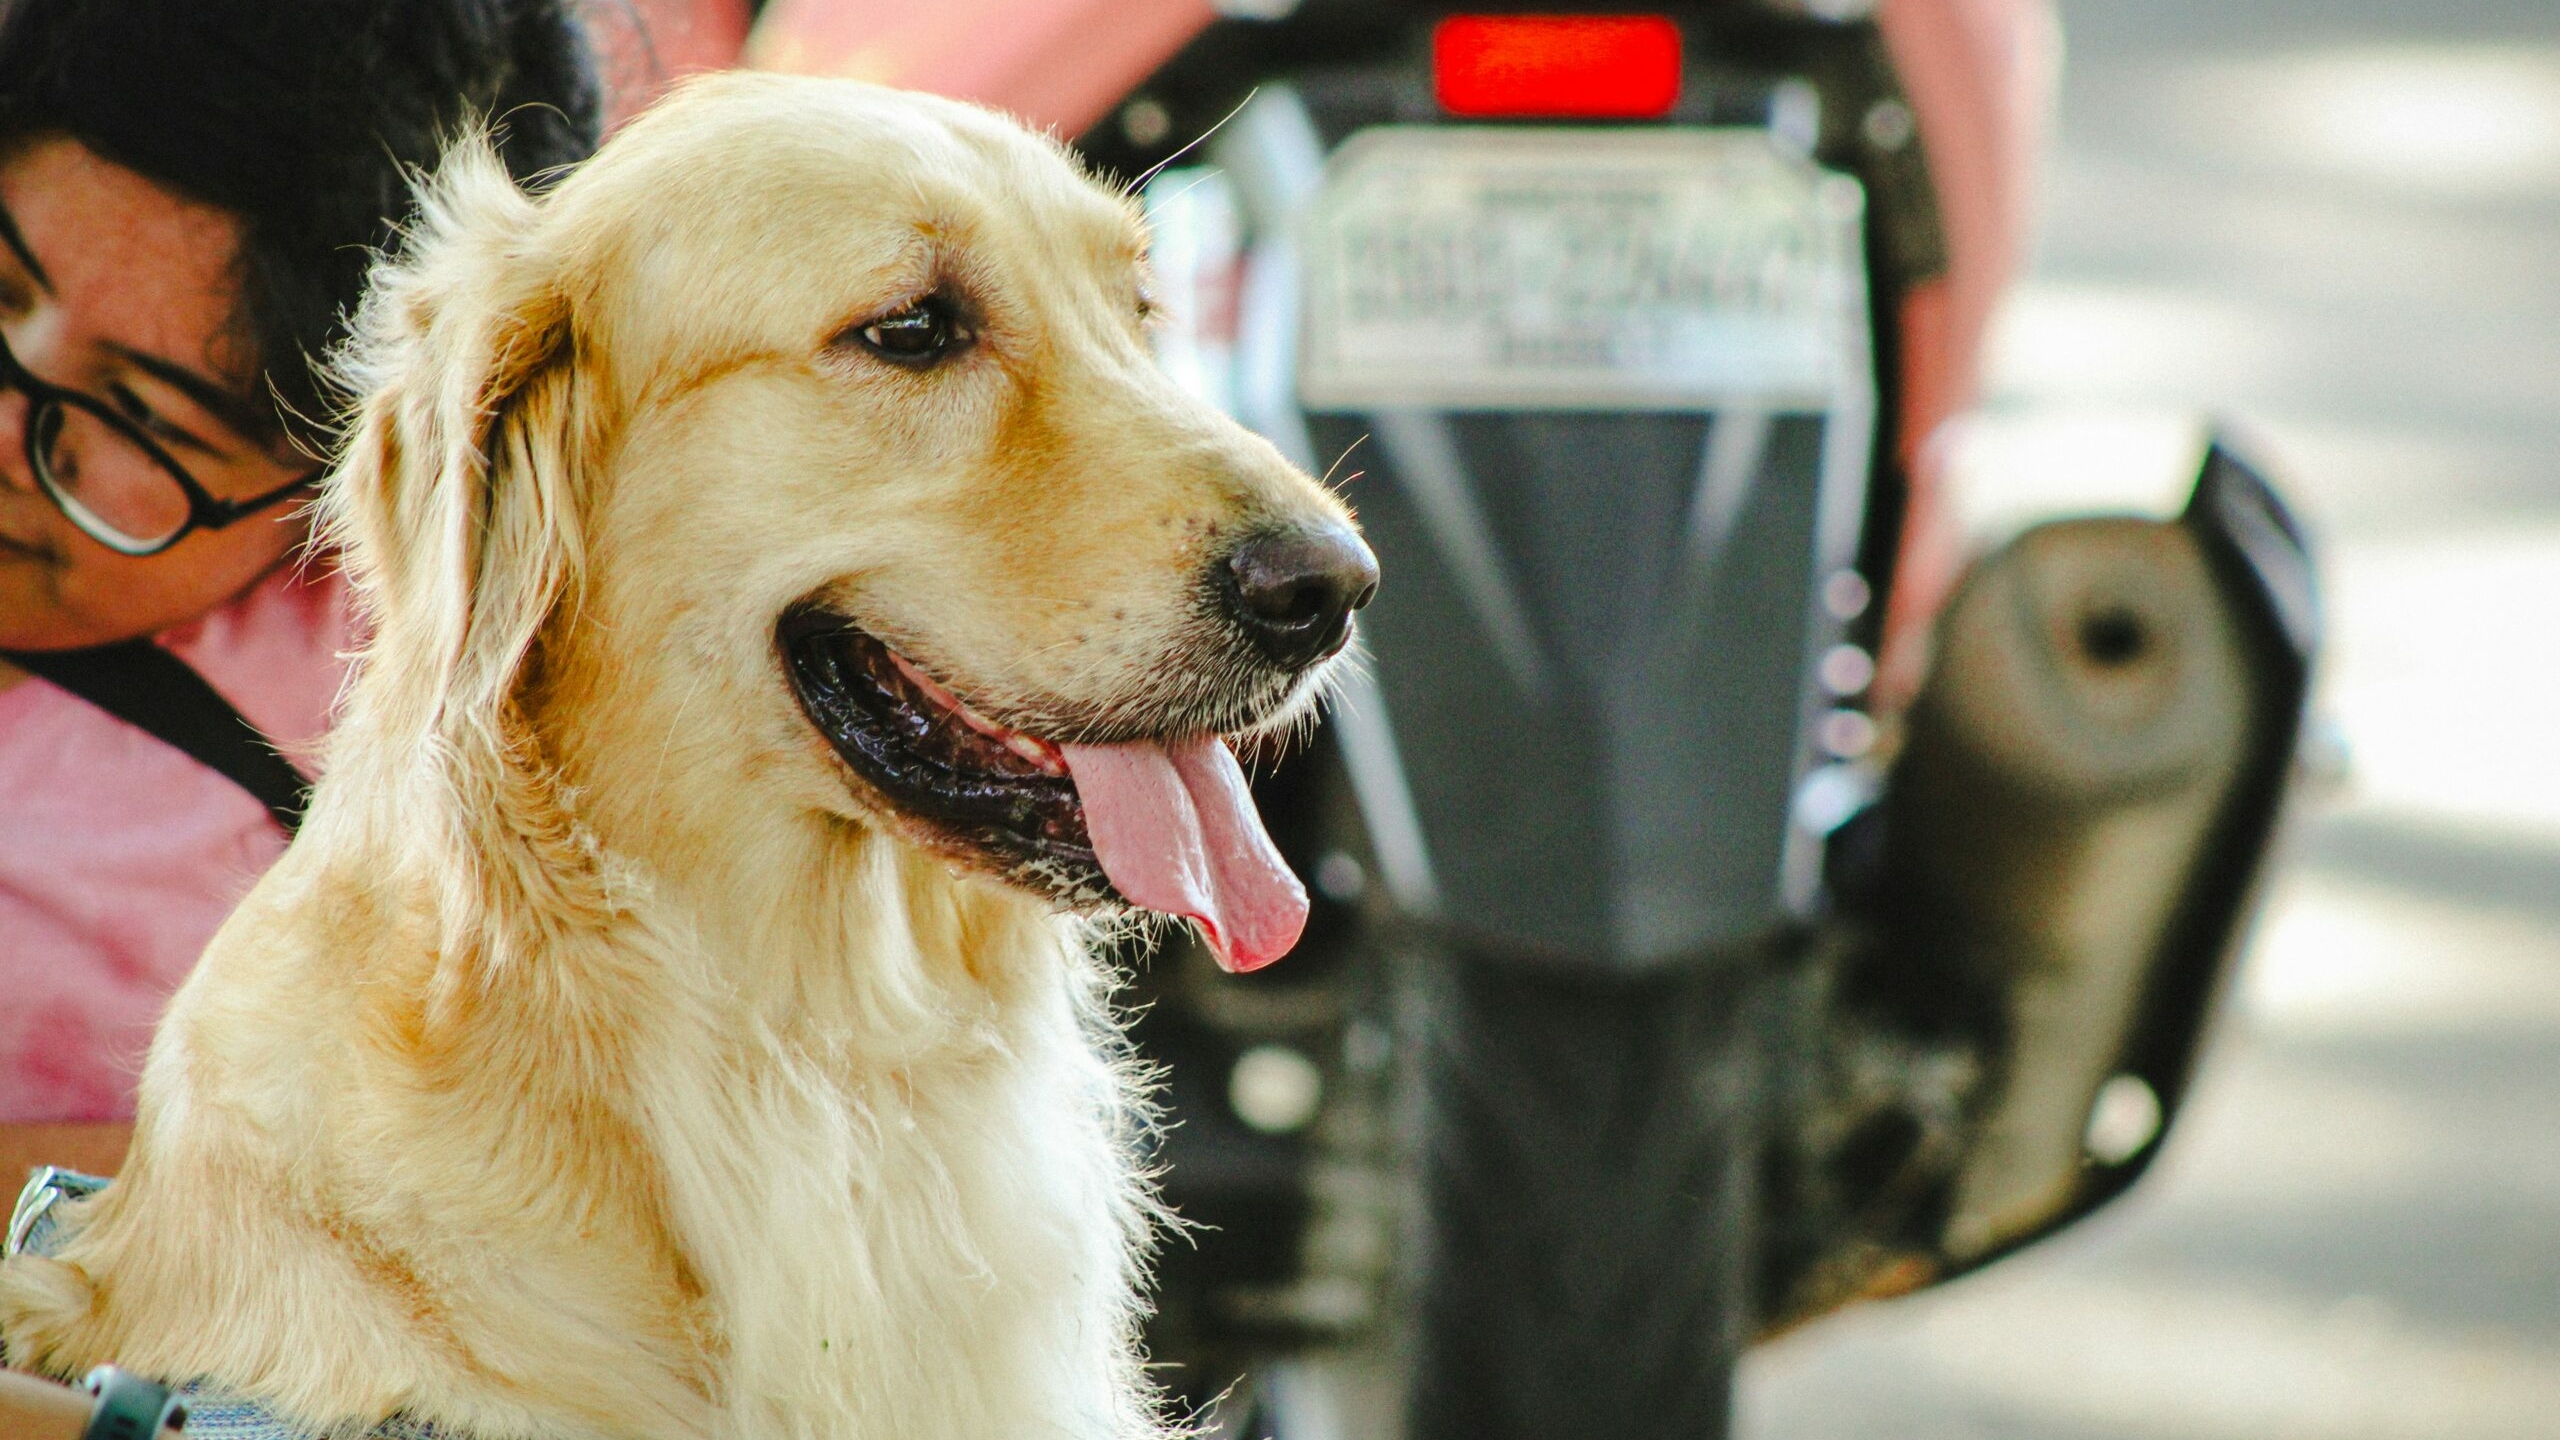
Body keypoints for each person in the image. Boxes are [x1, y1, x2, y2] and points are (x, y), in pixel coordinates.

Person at [0, 0, 603, 1188]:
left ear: (325, 505)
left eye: (137, 416)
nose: (10, 429)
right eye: (1, 294)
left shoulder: (382, 835)